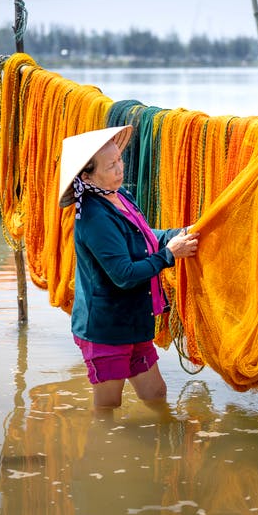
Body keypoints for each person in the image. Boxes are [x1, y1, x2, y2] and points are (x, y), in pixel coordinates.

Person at [58, 125, 199, 410]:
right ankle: (103, 454)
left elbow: (145, 238)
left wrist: (178, 234)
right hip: (106, 329)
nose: (119, 169)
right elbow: (123, 275)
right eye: (110, 165)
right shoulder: (94, 217)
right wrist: (170, 256)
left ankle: (158, 450)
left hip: (134, 321)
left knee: (156, 394)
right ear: (86, 175)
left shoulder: (122, 197)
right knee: (108, 407)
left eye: (119, 160)